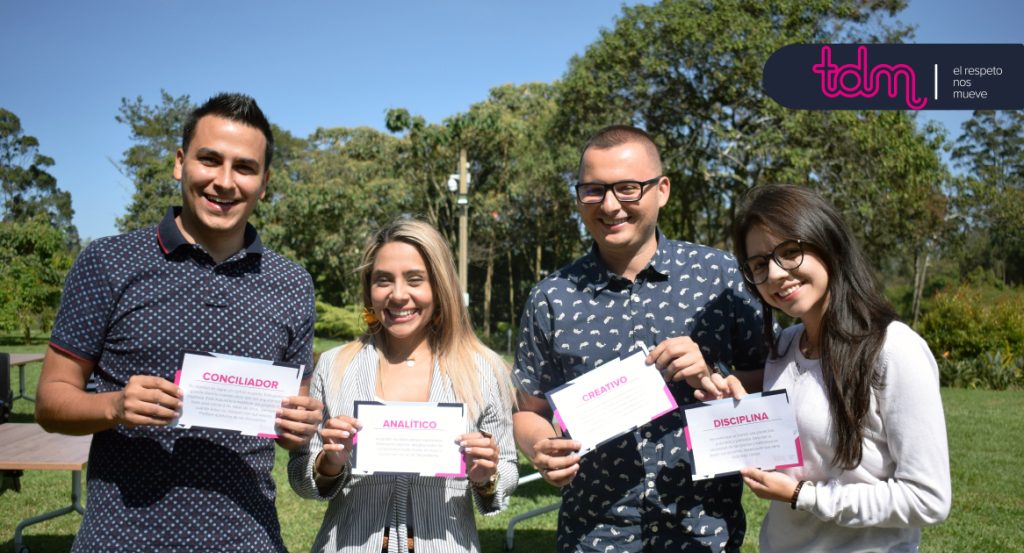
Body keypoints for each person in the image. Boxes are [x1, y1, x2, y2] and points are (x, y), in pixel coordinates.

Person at [35, 93, 323, 552]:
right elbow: (50, 401)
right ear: (180, 162)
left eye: (244, 168)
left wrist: (301, 426)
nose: (224, 182)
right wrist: (114, 407)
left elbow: (294, 414)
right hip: (121, 540)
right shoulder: (109, 262)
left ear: (264, 183)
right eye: (210, 160)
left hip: (249, 540)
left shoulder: (291, 283)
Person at [512, 125, 767, 552]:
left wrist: (716, 376)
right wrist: (539, 446)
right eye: (593, 191)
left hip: (703, 532)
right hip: (592, 536)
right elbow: (527, 409)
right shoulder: (550, 298)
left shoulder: (722, 279)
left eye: (628, 189)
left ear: (662, 190)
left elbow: (773, 385)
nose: (610, 205)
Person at [727, 184, 951, 553]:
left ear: (827, 243)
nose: (776, 274)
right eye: (759, 265)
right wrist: (736, 403)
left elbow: (928, 498)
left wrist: (805, 496)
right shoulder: (784, 346)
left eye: (789, 252)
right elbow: (800, 445)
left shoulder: (893, 350)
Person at [289, 218, 517, 553]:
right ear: (369, 289)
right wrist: (329, 462)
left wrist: (487, 476)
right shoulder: (335, 366)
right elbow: (300, 476)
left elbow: (508, 468)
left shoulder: (483, 369)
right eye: (383, 280)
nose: (398, 295)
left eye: (415, 280)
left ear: (439, 287)